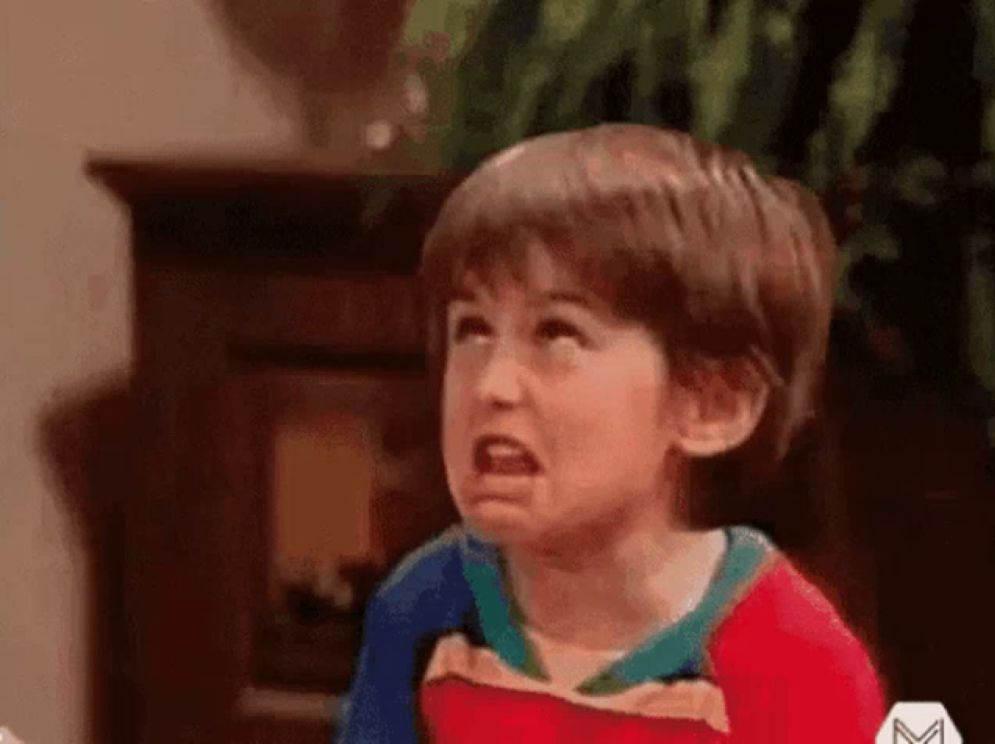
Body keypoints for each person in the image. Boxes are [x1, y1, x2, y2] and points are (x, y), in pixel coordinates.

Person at [335, 124, 886, 743]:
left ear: (713, 405)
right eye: (473, 330)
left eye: (557, 334)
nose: (491, 384)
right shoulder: (422, 609)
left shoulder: (795, 660)